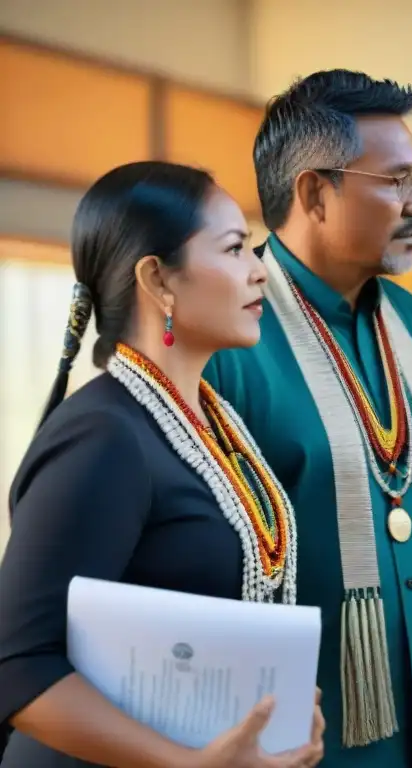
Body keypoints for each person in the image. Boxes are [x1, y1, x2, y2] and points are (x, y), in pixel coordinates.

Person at [0, 161, 324, 767]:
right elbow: (17, 665)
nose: (259, 271)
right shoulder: (104, 435)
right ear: (158, 279)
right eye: (233, 249)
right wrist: (189, 764)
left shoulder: (213, 421)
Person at [202, 70, 412, 768]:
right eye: (395, 181)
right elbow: (198, 565)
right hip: (300, 745)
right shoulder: (232, 337)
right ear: (314, 193)